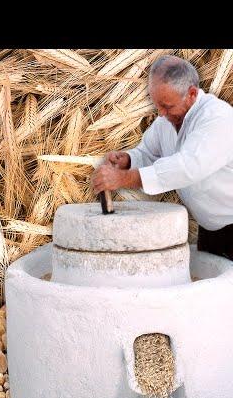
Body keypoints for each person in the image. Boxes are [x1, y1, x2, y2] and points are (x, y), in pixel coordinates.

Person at [91, 55, 233, 260]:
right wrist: (128, 160)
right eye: (157, 105)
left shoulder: (218, 119)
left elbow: (187, 167)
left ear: (192, 94)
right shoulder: (166, 120)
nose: (161, 114)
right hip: (210, 228)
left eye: (167, 106)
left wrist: (124, 179)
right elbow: (149, 153)